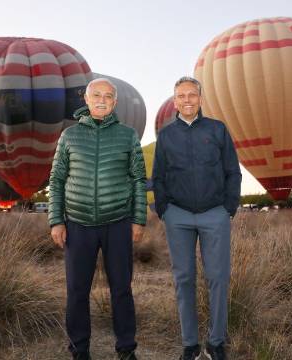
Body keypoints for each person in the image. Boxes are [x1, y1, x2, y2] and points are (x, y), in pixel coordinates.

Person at [48, 78, 146, 360]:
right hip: (77, 226)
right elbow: (56, 180)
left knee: (121, 290)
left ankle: (126, 349)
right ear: (87, 101)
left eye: (108, 96)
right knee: (77, 291)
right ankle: (79, 350)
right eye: (96, 95)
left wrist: (138, 219)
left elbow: (139, 179)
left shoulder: (128, 135)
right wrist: (56, 220)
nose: (102, 100)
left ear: (115, 102)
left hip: (118, 223)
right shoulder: (69, 136)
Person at [152, 76, 242, 360]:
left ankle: (216, 342)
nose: (187, 100)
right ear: (174, 100)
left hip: (214, 214)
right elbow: (158, 177)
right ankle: (190, 344)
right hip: (177, 215)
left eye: (192, 95)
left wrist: (228, 207)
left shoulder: (217, 130)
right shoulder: (166, 135)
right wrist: (164, 209)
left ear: (200, 99)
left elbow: (233, 171)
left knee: (218, 278)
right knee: (184, 279)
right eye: (181, 95)